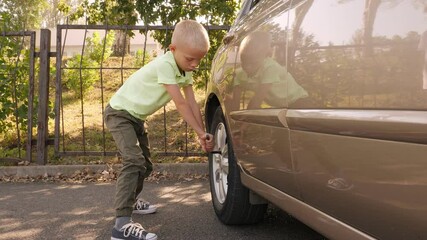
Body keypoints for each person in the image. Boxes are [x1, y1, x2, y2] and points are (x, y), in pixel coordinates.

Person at [104, 19, 214, 240]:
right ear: (173, 49)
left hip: (136, 117)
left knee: (145, 166)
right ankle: (121, 225)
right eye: (190, 59)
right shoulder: (166, 64)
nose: (194, 64)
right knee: (133, 161)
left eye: (198, 60)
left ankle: (131, 201)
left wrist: (202, 134)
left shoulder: (184, 70)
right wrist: (200, 133)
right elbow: (181, 104)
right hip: (119, 113)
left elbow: (193, 104)